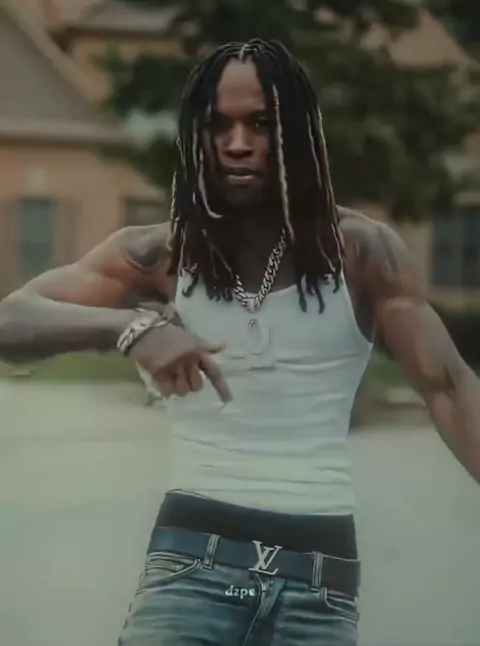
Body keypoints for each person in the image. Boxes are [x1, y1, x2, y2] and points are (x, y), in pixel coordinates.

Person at [0, 39, 479, 646]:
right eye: (217, 125)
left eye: (261, 124)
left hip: (319, 587)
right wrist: (132, 329)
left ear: (298, 132)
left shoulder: (361, 253)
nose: (237, 143)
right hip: (187, 574)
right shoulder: (163, 253)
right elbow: (12, 321)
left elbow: (449, 388)